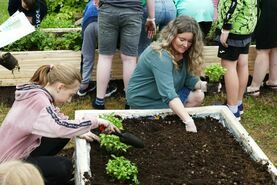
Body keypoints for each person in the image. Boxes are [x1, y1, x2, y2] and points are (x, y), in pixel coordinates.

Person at [0, 64, 119, 185]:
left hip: (18, 150)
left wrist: (80, 130)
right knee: (64, 167)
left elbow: (57, 120)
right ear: (60, 87)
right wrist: (95, 122)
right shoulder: (38, 101)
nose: (69, 100)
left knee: (63, 137)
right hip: (8, 165)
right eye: (70, 95)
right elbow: (59, 127)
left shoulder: (38, 93)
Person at [127, 16, 210, 133]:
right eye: (182, 39)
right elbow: (168, 94)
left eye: (190, 41)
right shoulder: (159, 55)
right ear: (172, 36)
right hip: (146, 101)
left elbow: (189, 80)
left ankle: (173, 120)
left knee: (198, 95)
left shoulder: (183, 52)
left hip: (164, 96)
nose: (186, 45)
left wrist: (205, 86)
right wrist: (188, 121)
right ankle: (165, 121)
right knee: (164, 127)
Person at [92, 0, 156, 110]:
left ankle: (99, 101)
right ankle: (130, 101)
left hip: (108, 10)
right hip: (133, 11)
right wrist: (151, 18)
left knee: (105, 57)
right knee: (129, 59)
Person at [215, 0, 257, 120]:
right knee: (242, 64)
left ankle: (232, 109)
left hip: (233, 29)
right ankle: (238, 103)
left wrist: (226, 28)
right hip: (246, 25)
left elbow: (233, 3)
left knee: (228, 66)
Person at [78, 0, 117, 97]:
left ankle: (83, 86)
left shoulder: (90, 3)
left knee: (87, 56)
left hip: (88, 26)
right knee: (106, 57)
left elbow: (84, 18)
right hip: (104, 25)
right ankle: (106, 88)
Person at [246, 0, 277, 96]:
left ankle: (254, 87)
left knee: (263, 50)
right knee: (275, 48)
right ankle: (274, 81)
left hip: (269, 10)